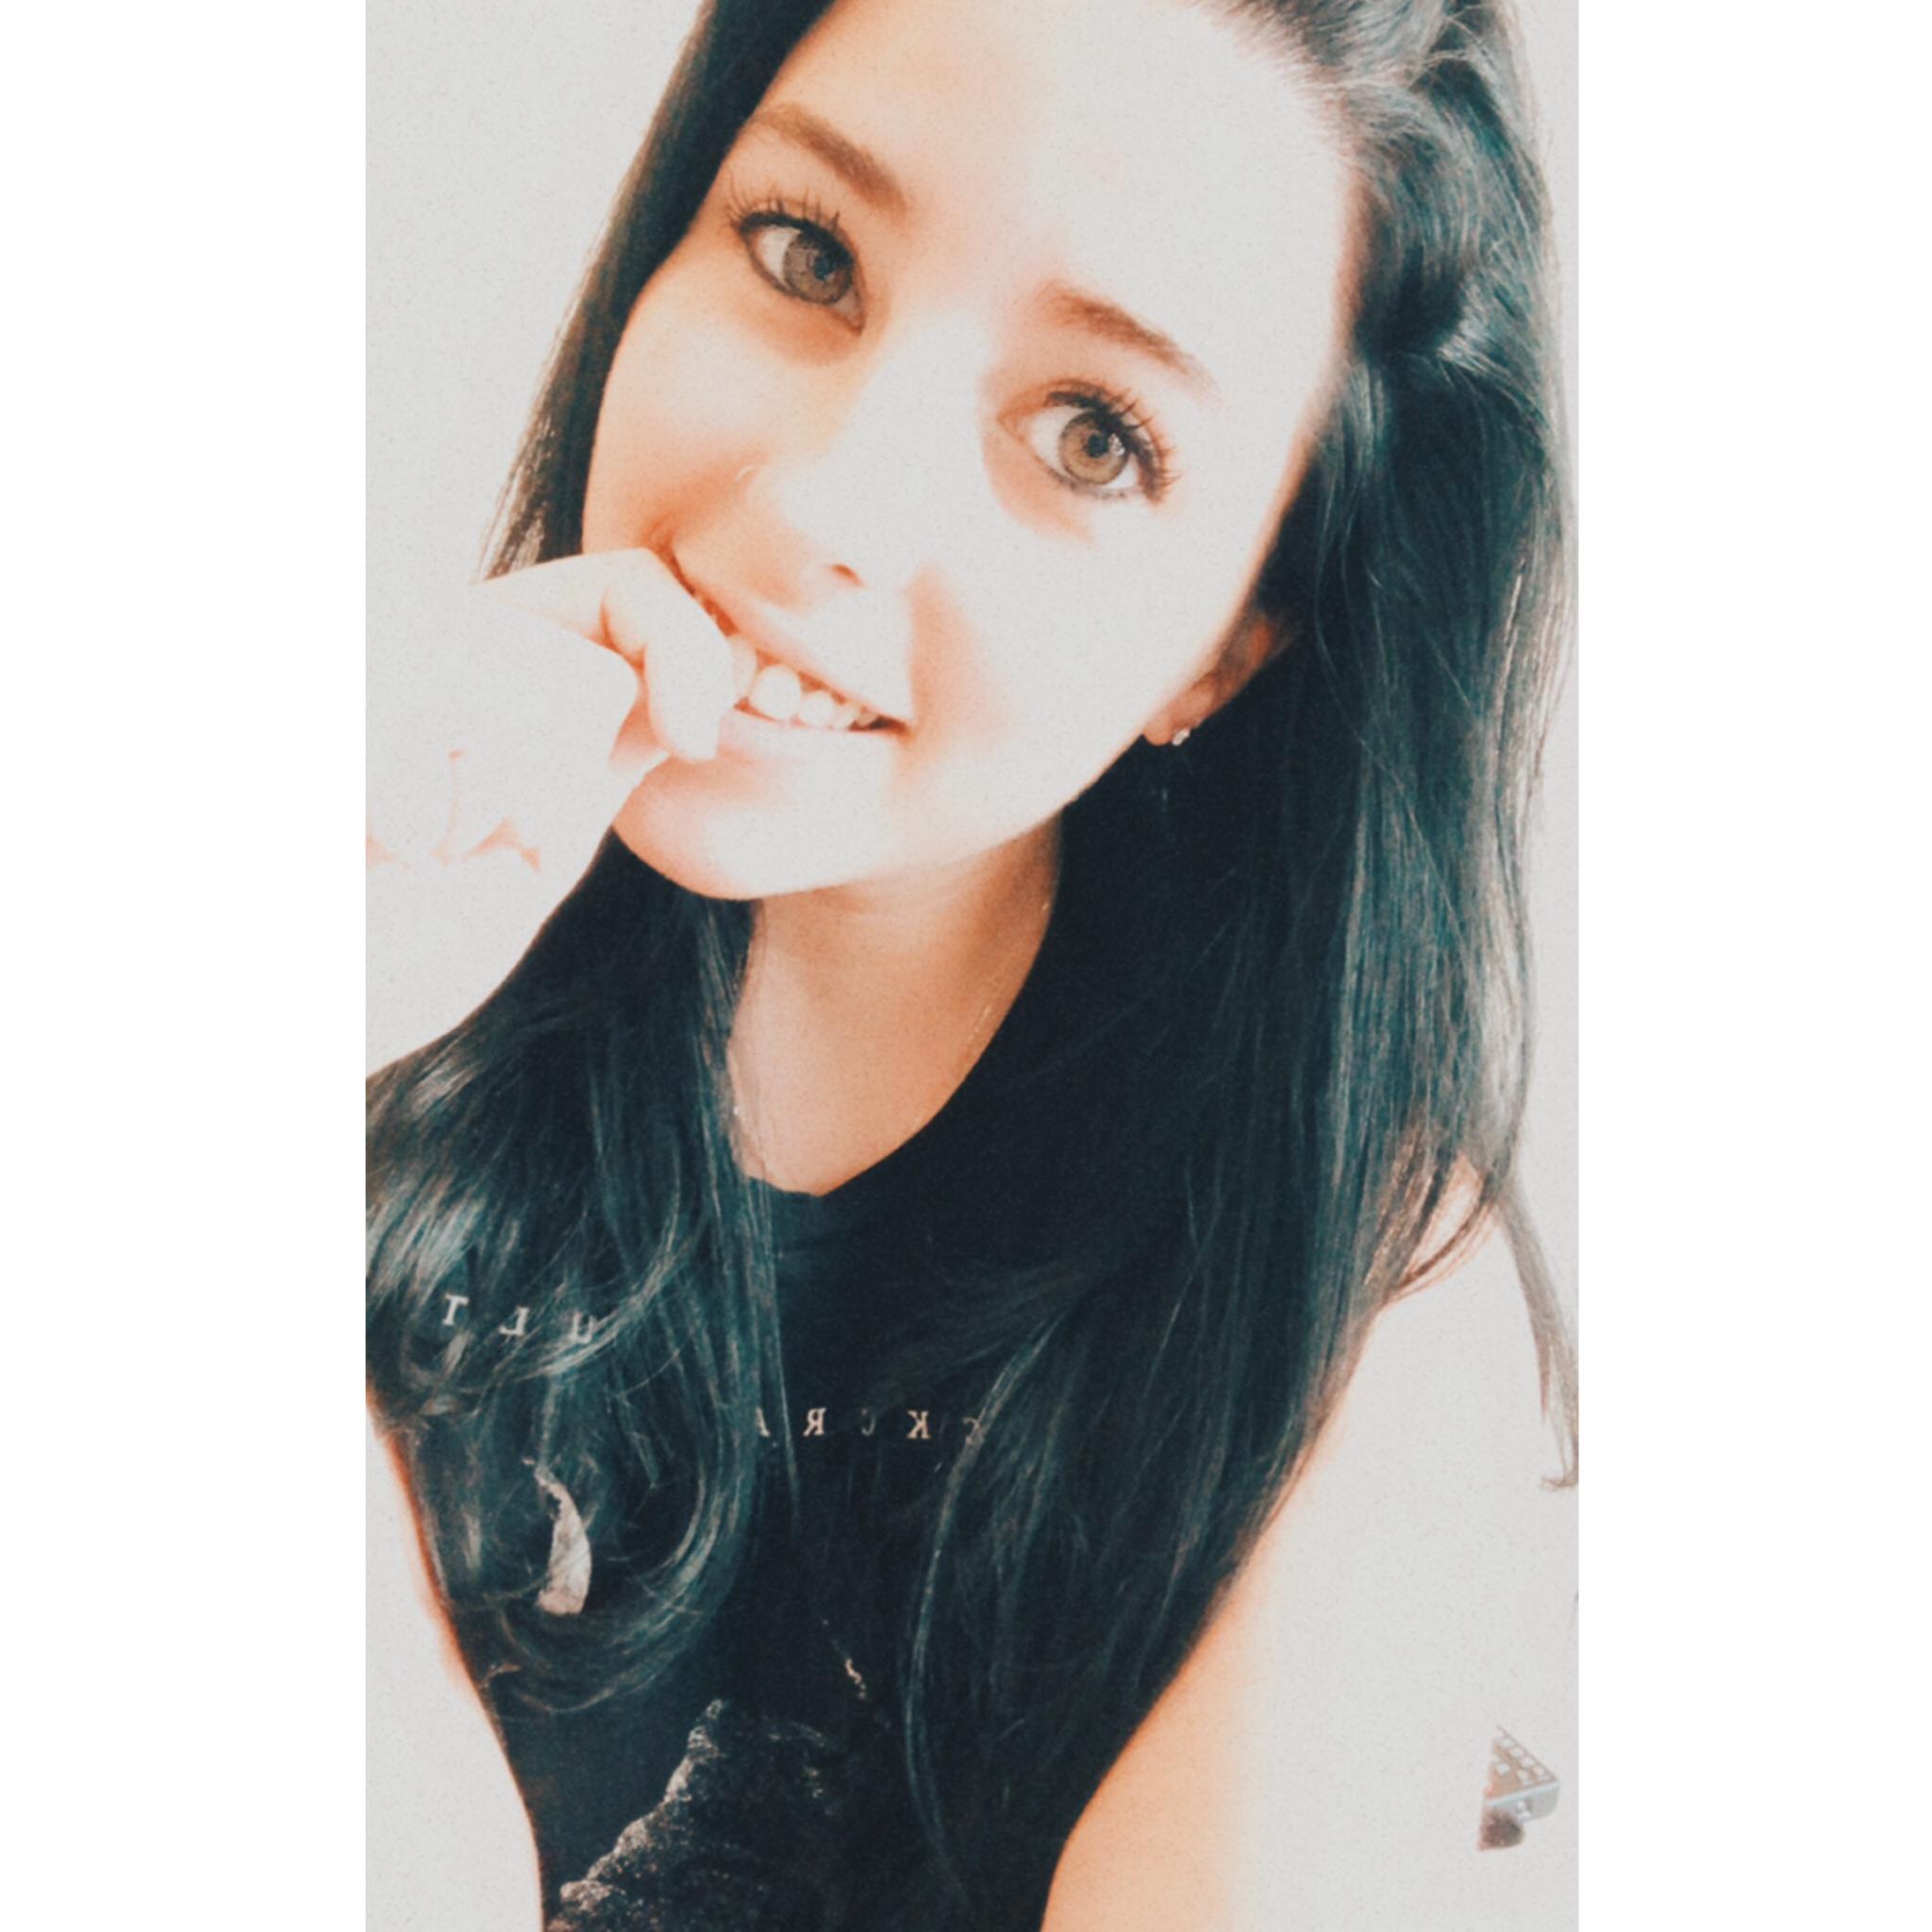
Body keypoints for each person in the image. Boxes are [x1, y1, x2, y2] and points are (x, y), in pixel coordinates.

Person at [366, 0, 1577, 1924]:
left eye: (1093, 436)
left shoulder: (1342, 1280)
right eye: (805, 252)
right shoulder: (344, 977)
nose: (822, 501)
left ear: (1234, 636)